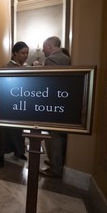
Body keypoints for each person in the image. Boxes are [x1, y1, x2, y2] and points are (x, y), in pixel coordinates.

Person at [40, 36, 71, 178]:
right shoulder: (66, 57)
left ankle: (55, 167)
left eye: (44, 47)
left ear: (51, 47)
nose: (42, 50)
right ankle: (57, 162)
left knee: (53, 137)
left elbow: (48, 82)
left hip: (52, 103)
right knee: (60, 135)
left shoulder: (51, 60)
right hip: (64, 103)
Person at [0, 41, 29, 167]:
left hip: (22, 104)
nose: (25, 55)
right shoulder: (6, 68)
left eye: (27, 53)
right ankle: (1, 155)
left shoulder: (27, 67)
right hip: (8, 105)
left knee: (19, 131)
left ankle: (19, 151)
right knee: (5, 132)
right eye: (22, 53)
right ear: (15, 53)